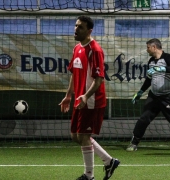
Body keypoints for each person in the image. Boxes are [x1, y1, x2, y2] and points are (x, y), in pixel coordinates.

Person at [59, 16, 120, 180]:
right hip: (80, 100)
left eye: (80, 27)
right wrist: (68, 95)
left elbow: (99, 79)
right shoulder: (77, 48)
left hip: (91, 101)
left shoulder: (95, 50)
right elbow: (74, 73)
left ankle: (89, 176)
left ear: (89, 30)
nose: (76, 29)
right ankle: (109, 161)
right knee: (75, 136)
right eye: (76, 26)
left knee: (84, 137)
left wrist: (86, 96)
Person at [126, 38, 170, 152]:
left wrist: (162, 68)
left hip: (168, 97)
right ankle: (134, 143)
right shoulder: (151, 61)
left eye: (148, 47)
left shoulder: (167, 57)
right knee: (143, 119)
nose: (147, 50)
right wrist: (140, 92)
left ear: (154, 47)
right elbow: (149, 79)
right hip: (153, 96)